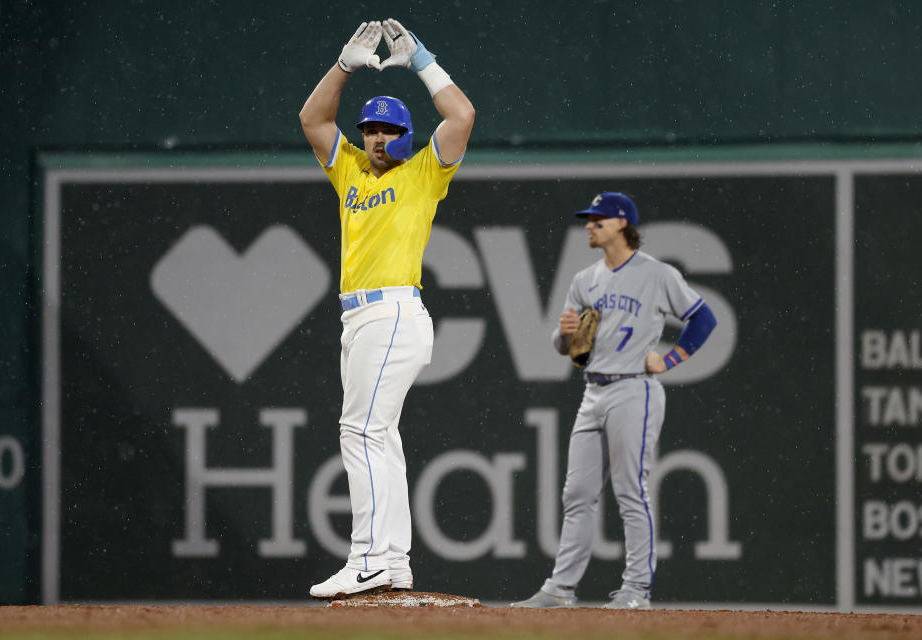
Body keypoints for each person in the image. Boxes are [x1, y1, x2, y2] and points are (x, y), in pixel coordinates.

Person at [299, 19, 474, 599]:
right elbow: (312, 119)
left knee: (361, 431)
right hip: (359, 318)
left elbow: (462, 116)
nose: (376, 138)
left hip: (394, 311)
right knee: (382, 437)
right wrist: (344, 66)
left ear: (405, 135)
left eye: (387, 129)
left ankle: (368, 558)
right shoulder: (347, 166)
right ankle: (392, 560)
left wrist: (422, 62)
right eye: (370, 129)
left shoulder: (424, 172)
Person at [511, 192, 718, 609]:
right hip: (593, 390)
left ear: (622, 223)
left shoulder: (656, 274)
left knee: (630, 491)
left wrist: (672, 356)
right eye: (589, 219)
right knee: (578, 493)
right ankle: (560, 589)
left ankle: (636, 590)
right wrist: (565, 332)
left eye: (598, 219)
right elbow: (566, 349)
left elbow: (704, 318)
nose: (589, 224)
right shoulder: (584, 280)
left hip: (633, 389)